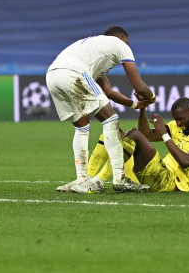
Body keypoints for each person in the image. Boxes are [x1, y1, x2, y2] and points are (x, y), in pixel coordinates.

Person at [47, 25, 155, 193]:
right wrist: (152, 97)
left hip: (53, 75)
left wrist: (134, 105)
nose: (127, 47)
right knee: (111, 120)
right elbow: (139, 86)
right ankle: (120, 179)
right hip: (74, 72)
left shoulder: (94, 49)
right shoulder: (119, 44)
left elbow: (108, 91)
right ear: (120, 38)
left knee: (82, 127)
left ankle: (82, 180)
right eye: (127, 43)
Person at [73, 97, 189, 193]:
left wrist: (164, 135)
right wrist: (143, 109)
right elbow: (146, 135)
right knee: (114, 133)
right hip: (154, 173)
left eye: (180, 119)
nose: (178, 123)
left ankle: (98, 182)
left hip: (170, 181)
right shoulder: (175, 127)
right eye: (176, 120)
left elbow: (186, 161)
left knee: (133, 134)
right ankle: (85, 178)